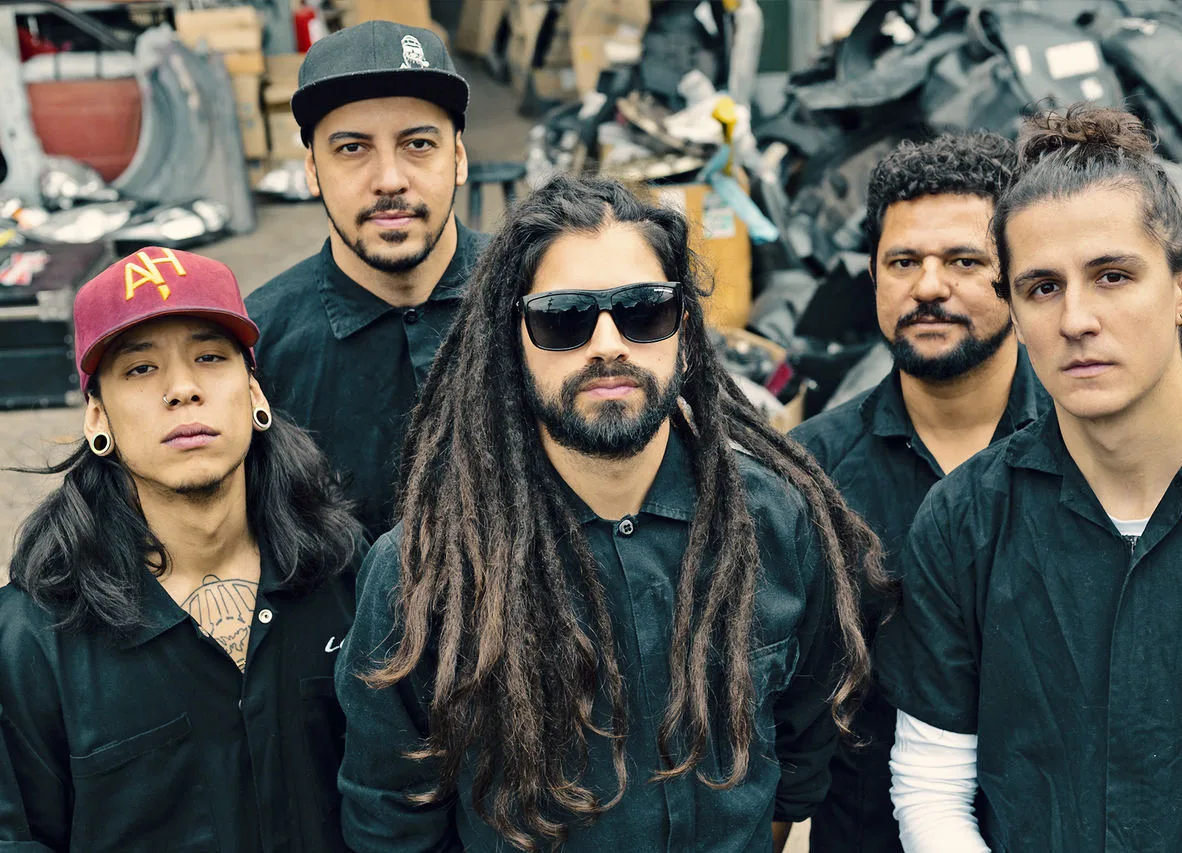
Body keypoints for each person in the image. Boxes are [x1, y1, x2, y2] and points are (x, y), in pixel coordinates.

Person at [334, 176, 890, 852]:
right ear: (513, 340)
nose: (607, 344)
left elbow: (801, 745)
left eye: (643, 310)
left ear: (684, 330)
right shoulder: (425, 571)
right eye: (563, 317)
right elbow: (392, 816)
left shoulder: (776, 521)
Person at [876, 104, 1182, 852]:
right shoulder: (966, 519)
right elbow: (933, 784)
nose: (1076, 319)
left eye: (1112, 276)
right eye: (1042, 287)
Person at [0, 248, 365, 853]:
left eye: (210, 358)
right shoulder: (31, 639)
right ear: (98, 417)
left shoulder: (345, 572)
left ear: (255, 392)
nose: (183, 390)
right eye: (140, 369)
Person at [791, 132, 1048, 853]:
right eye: (903, 262)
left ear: (1016, 275)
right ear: (873, 275)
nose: (929, 287)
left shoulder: (1085, 448)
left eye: (964, 261)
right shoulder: (808, 473)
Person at [245, 20, 489, 538]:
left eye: (418, 143)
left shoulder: (543, 303)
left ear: (458, 158)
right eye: (352, 148)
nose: (390, 180)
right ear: (313, 171)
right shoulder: (257, 348)